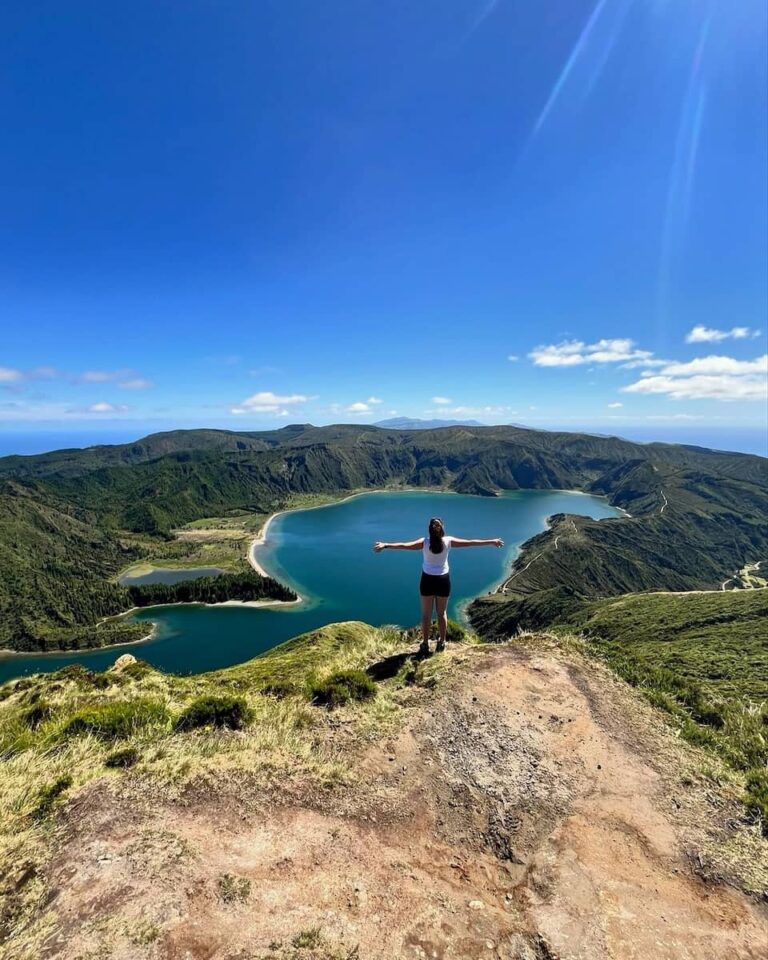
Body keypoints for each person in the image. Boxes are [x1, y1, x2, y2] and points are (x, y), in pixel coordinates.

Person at [373, 517, 504, 654]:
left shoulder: (424, 542)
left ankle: (425, 644)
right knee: (442, 614)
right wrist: (491, 541)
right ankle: (442, 642)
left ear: (430, 529)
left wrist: (385, 545)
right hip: (443, 580)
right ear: (442, 528)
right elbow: (470, 542)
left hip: (427, 580)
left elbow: (404, 545)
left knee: (426, 615)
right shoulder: (448, 541)